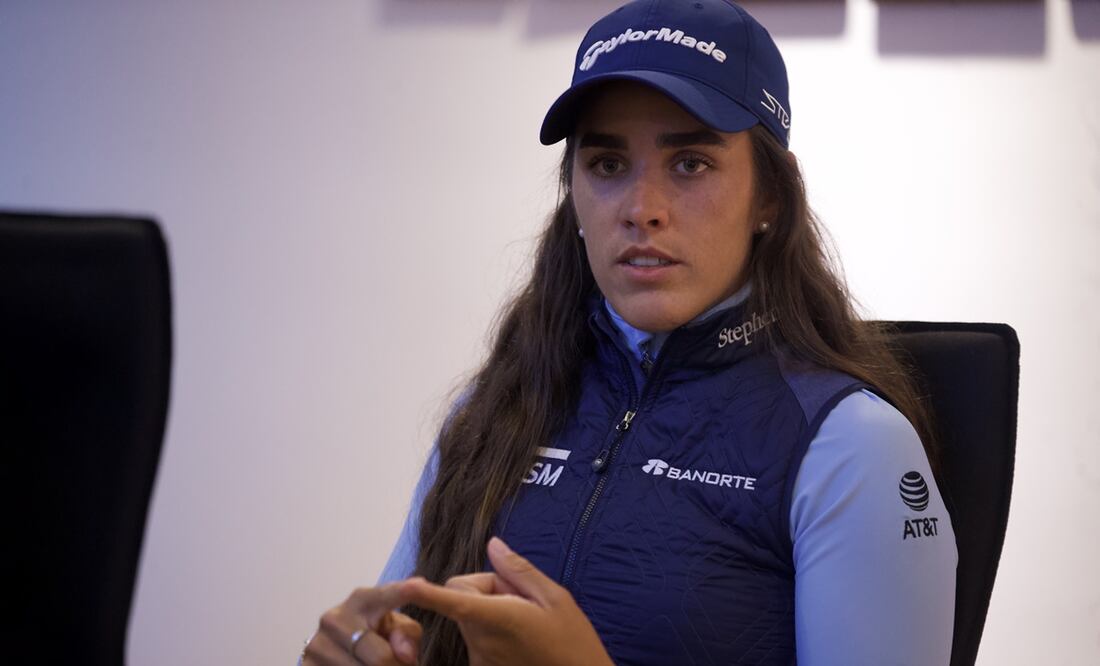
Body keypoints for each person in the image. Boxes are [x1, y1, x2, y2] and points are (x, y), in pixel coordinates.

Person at [302, 1, 957, 664]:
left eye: (690, 164)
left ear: (771, 197)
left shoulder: (851, 446)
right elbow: (403, 629)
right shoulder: (491, 411)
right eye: (608, 166)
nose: (642, 210)